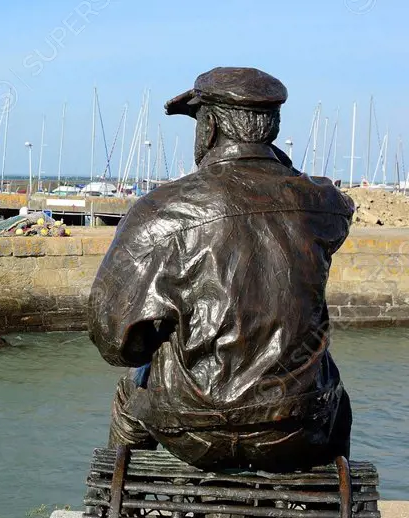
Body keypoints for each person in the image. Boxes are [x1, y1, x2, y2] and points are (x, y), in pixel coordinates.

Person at [87, 67, 354, 472]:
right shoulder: (324, 203)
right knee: (334, 394)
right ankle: (323, 517)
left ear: (208, 127)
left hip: (194, 425)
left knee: (131, 393)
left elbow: (114, 341)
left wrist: (158, 341)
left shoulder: (160, 212)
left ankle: (124, 512)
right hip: (297, 423)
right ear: (272, 126)